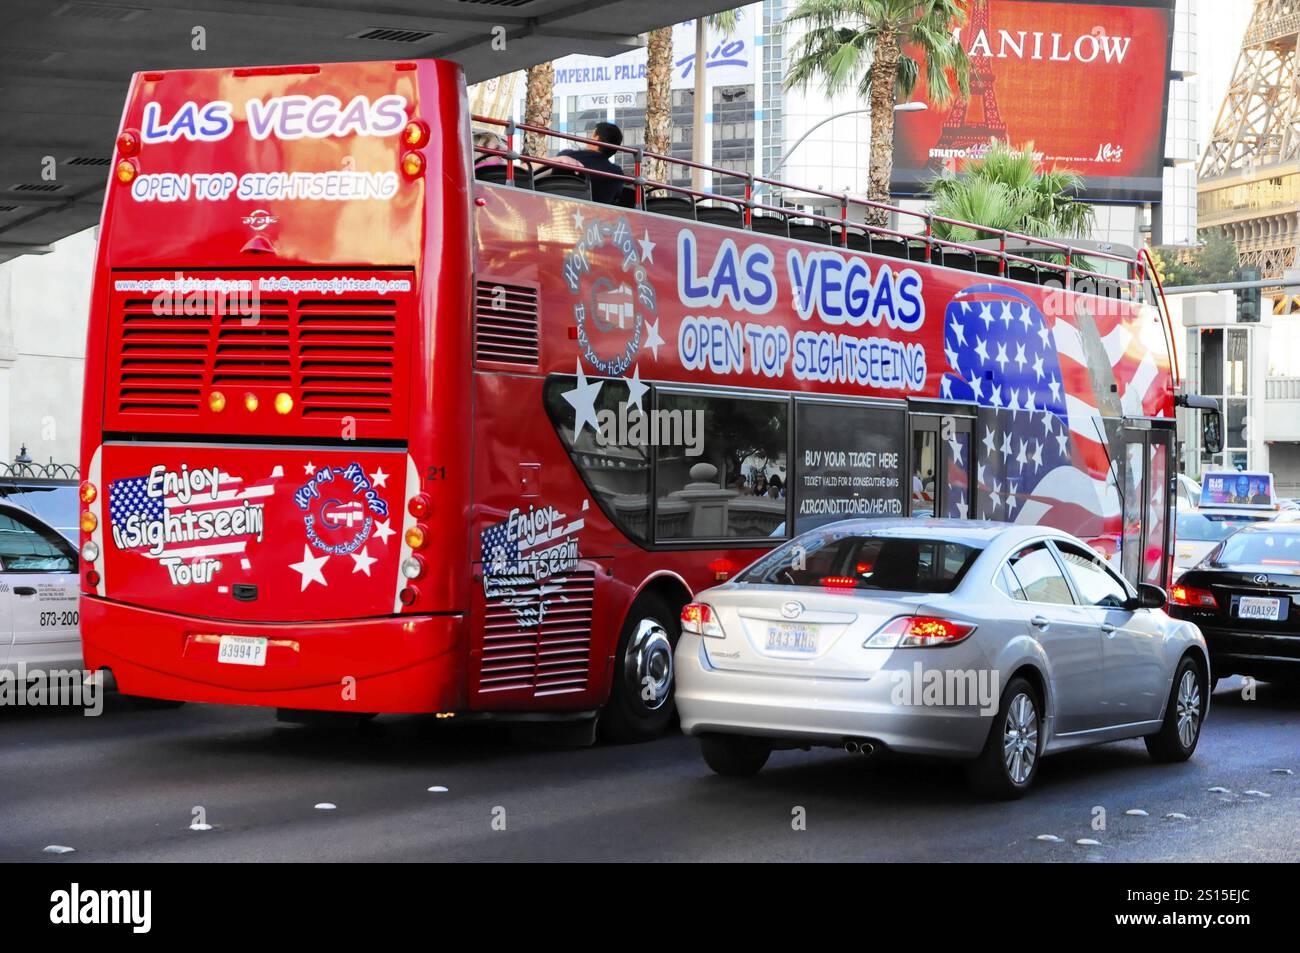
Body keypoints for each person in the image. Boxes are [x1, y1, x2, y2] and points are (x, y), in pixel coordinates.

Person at [557, 121, 625, 204]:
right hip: (601, 214)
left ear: (596, 137)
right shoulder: (617, 173)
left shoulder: (567, 156)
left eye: (591, 135)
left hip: (562, 207)